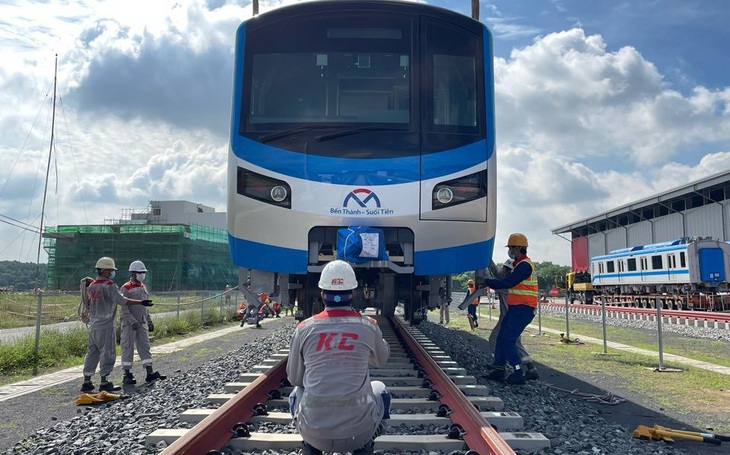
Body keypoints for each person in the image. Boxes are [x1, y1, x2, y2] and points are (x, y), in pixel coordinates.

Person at [287, 260, 391, 455]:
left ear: (322, 294)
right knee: (381, 391)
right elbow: (381, 359)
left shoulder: (303, 329)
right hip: (359, 434)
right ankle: (365, 446)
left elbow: (295, 379)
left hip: (315, 435)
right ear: (352, 294)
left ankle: (310, 447)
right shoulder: (368, 326)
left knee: (296, 393)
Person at [80, 257, 154, 393]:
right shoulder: (110, 286)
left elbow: (90, 301)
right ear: (105, 271)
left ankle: (87, 381)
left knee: (92, 352)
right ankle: (104, 382)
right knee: (107, 353)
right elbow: (122, 300)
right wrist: (140, 302)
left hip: (94, 325)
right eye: (110, 271)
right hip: (106, 325)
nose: (112, 273)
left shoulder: (92, 285)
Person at [481, 233, 539, 385]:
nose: (510, 250)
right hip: (517, 309)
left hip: (524, 308)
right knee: (501, 337)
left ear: (519, 248)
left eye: (512, 248)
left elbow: (507, 282)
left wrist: (486, 281)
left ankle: (518, 372)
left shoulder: (525, 265)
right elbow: (503, 278)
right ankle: (499, 370)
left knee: (508, 340)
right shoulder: (518, 265)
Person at [119, 260, 167, 385]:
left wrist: (149, 321)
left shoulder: (143, 287)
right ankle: (127, 374)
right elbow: (123, 308)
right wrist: (131, 321)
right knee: (127, 348)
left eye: (143, 272)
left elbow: (145, 307)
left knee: (145, 347)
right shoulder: (126, 288)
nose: (142, 275)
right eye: (140, 272)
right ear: (133, 273)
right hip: (129, 324)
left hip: (142, 322)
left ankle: (149, 372)